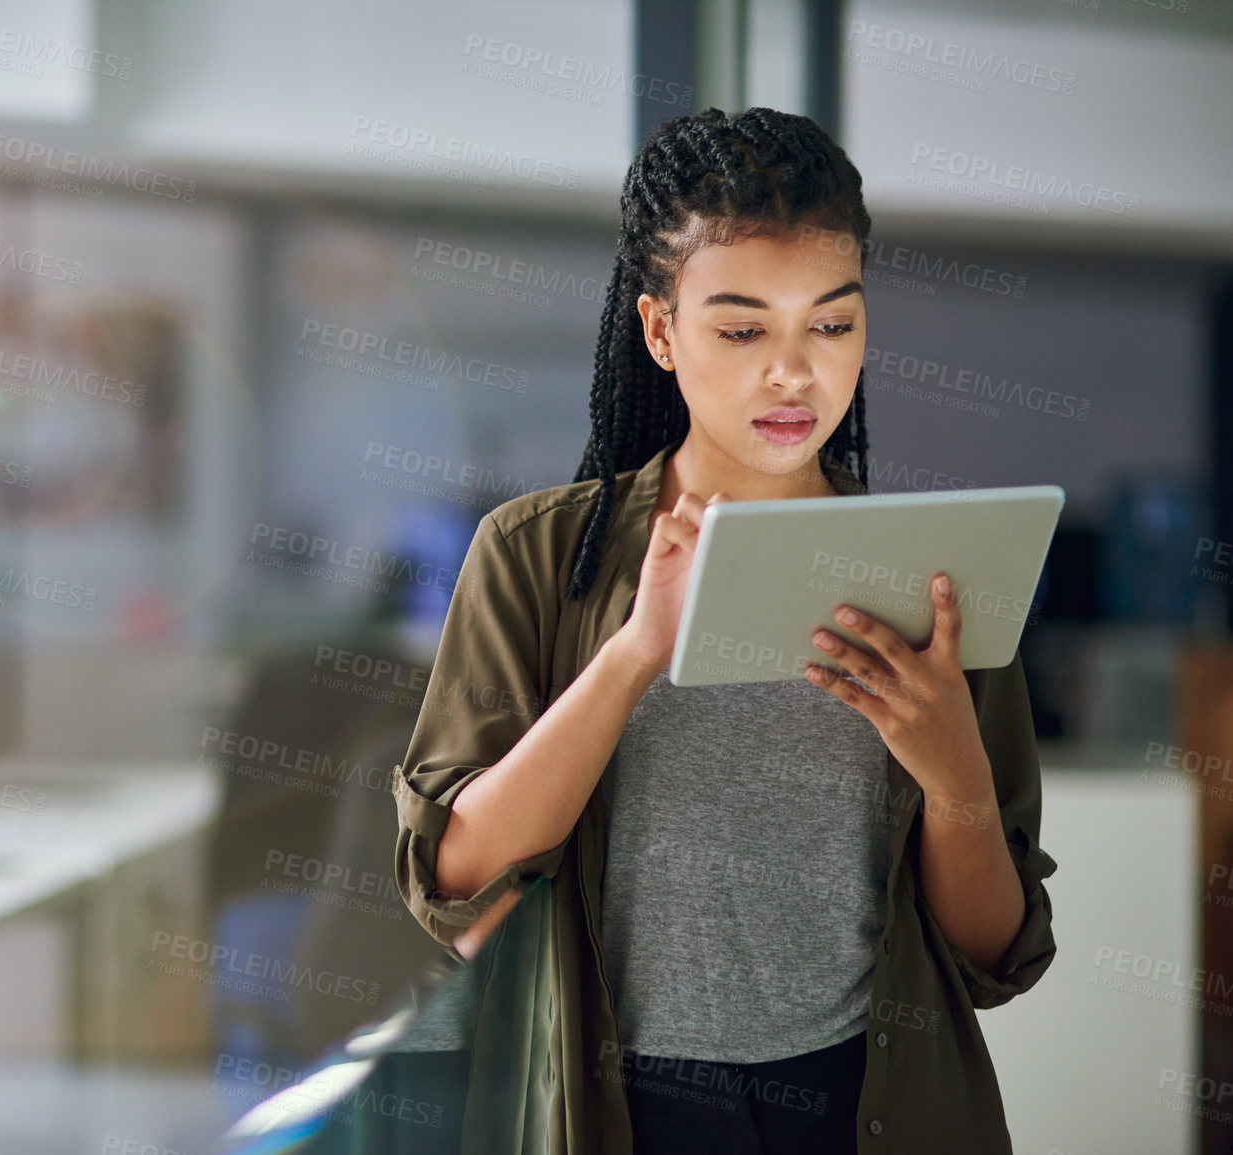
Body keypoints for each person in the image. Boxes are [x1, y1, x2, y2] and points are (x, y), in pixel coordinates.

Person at [391, 106, 1057, 1155]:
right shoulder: (535, 555)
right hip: (618, 1108)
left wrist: (956, 780)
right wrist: (633, 655)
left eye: (831, 325)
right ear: (660, 330)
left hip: (865, 1107)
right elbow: (453, 875)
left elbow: (992, 957)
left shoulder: (936, 575)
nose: (792, 372)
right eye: (743, 329)